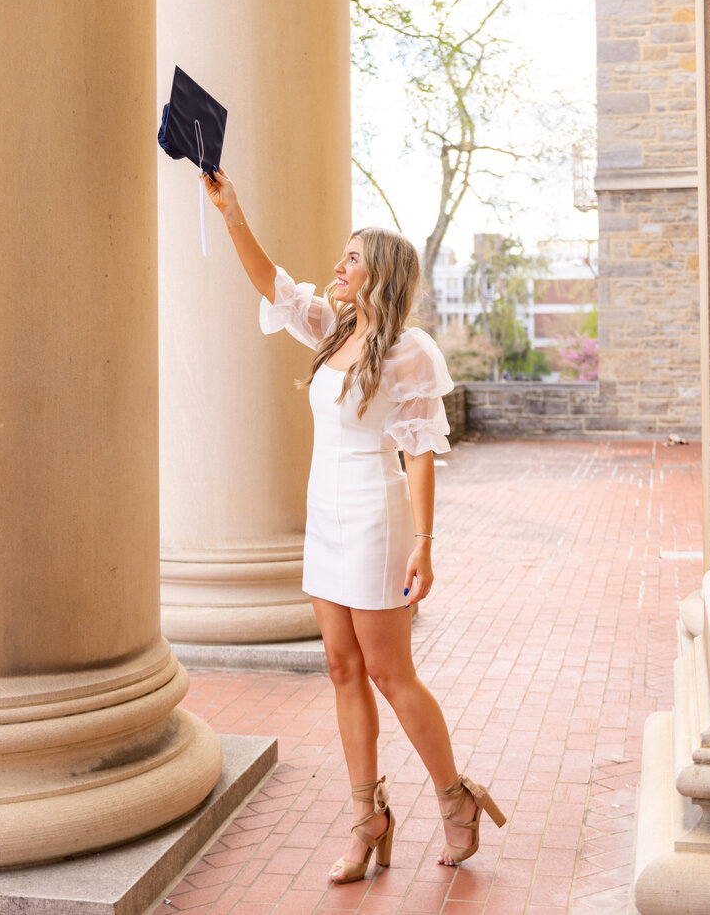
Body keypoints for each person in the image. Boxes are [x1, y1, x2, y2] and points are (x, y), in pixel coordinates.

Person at [203, 167, 506, 883]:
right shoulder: (332, 329)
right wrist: (231, 210)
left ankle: (455, 797)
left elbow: (422, 453)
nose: (336, 267)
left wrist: (426, 547)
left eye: (350, 259)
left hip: (377, 516)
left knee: (389, 671)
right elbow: (271, 284)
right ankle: (367, 815)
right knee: (341, 668)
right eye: (340, 256)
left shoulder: (408, 352)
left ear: (380, 276)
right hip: (325, 517)